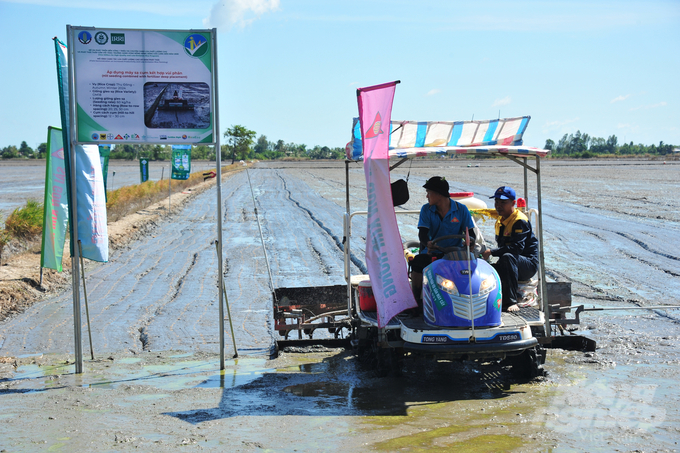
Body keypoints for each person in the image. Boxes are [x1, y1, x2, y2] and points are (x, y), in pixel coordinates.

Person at [410, 176, 475, 307]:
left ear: (439, 194)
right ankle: (416, 301)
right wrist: (428, 243)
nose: (427, 196)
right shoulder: (426, 210)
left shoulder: (461, 210)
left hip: (455, 255)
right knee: (417, 263)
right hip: (433, 253)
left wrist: (470, 243)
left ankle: (471, 298)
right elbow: (422, 233)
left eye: (429, 193)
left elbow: (471, 234)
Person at [482, 186, 539, 312]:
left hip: (528, 264)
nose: (498, 205)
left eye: (503, 202)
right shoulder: (501, 219)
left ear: (513, 203)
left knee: (508, 257)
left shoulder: (519, 221)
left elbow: (516, 248)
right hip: (512, 261)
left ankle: (511, 302)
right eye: (496, 202)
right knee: (487, 268)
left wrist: (491, 251)